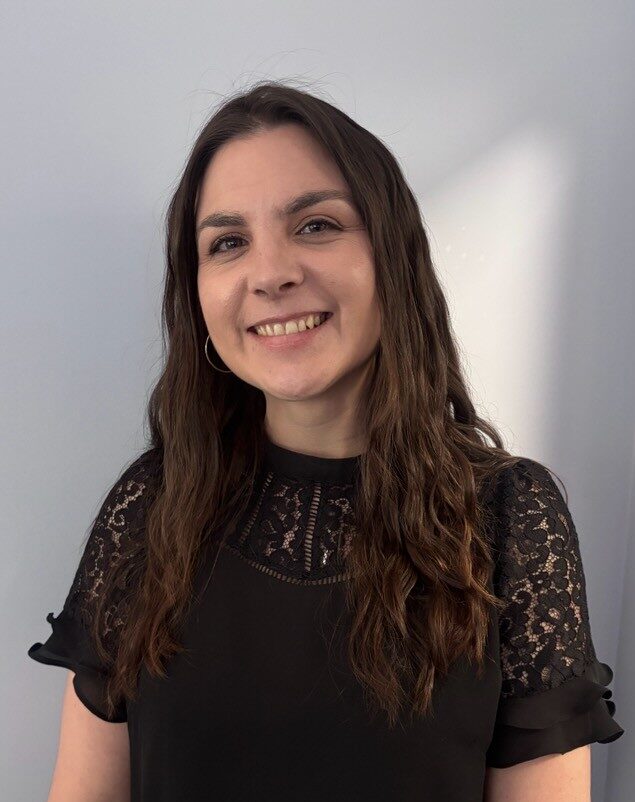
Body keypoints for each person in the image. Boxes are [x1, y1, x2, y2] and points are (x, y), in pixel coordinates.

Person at [28, 80, 624, 802]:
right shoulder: (151, 506)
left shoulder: (507, 518)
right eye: (227, 242)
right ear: (198, 293)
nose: (271, 273)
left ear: (393, 257)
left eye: (315, 225)